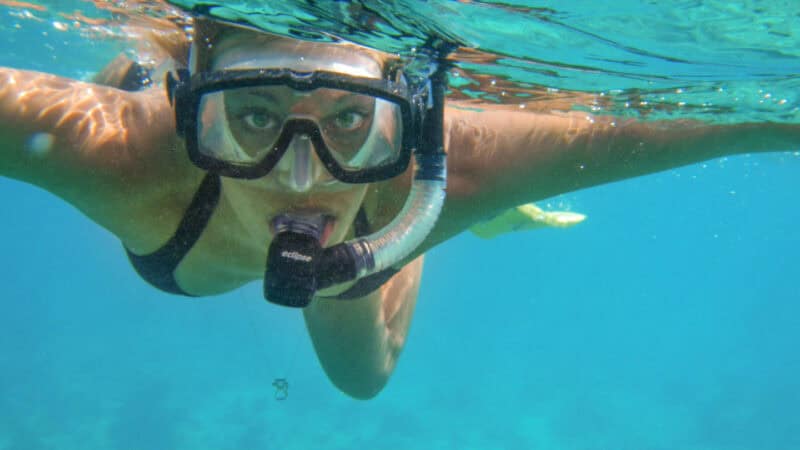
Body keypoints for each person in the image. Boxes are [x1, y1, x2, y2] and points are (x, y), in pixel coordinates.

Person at [1, 15, 797, 400]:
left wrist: (423, 211)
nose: (304, 180)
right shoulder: (122, 150)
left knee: (363, 376)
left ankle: (426, 233)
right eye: (252, 117)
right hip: (298, 205)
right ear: (191, 114)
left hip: (383, 227)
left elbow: (734, 126)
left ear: (409, 122)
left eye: (351, 119)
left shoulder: (452, 161)